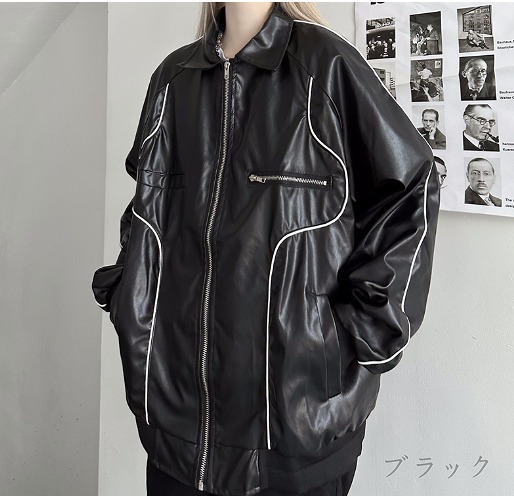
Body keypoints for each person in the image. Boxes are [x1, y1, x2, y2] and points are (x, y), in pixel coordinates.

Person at [91, 3, 440, 496]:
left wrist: (366, 327)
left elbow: (411, 185)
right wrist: (130, 295)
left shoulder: (325, 64)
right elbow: (147, 207)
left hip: (296, 431)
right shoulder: (173, 78)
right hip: (174, 429)